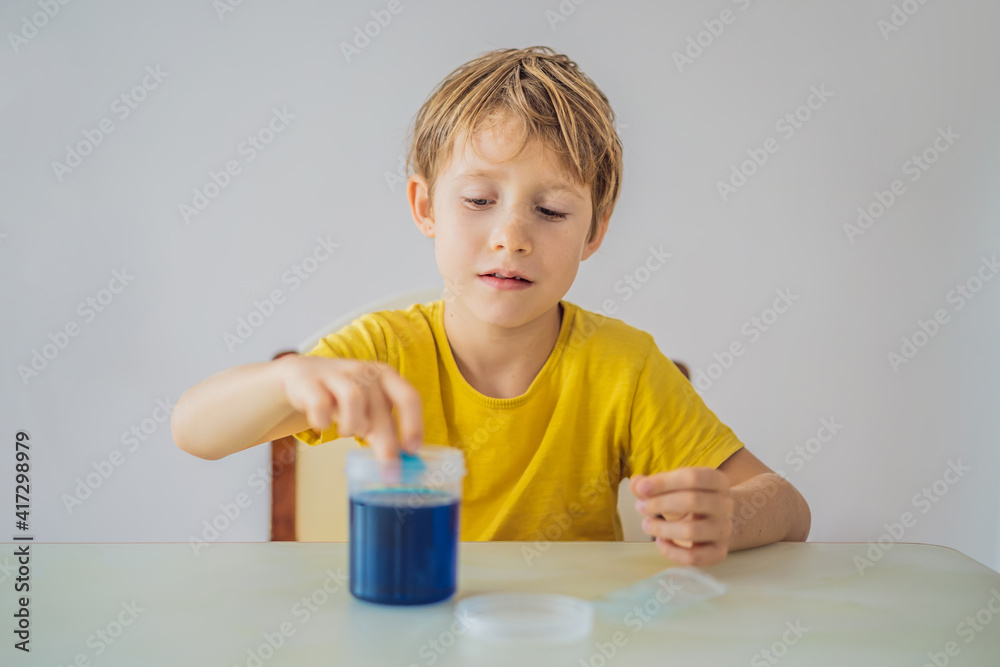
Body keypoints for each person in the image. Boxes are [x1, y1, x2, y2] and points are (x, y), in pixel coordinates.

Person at [172, 46, 810, 566]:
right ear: (425, 207)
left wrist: (730, 515)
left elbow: (788, 507)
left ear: (594, 232)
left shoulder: (625, 368)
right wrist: (289, 377)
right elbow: (194, 430)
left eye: (552, 210)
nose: (512, 236)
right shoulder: (383, 353)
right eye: (479, 200)